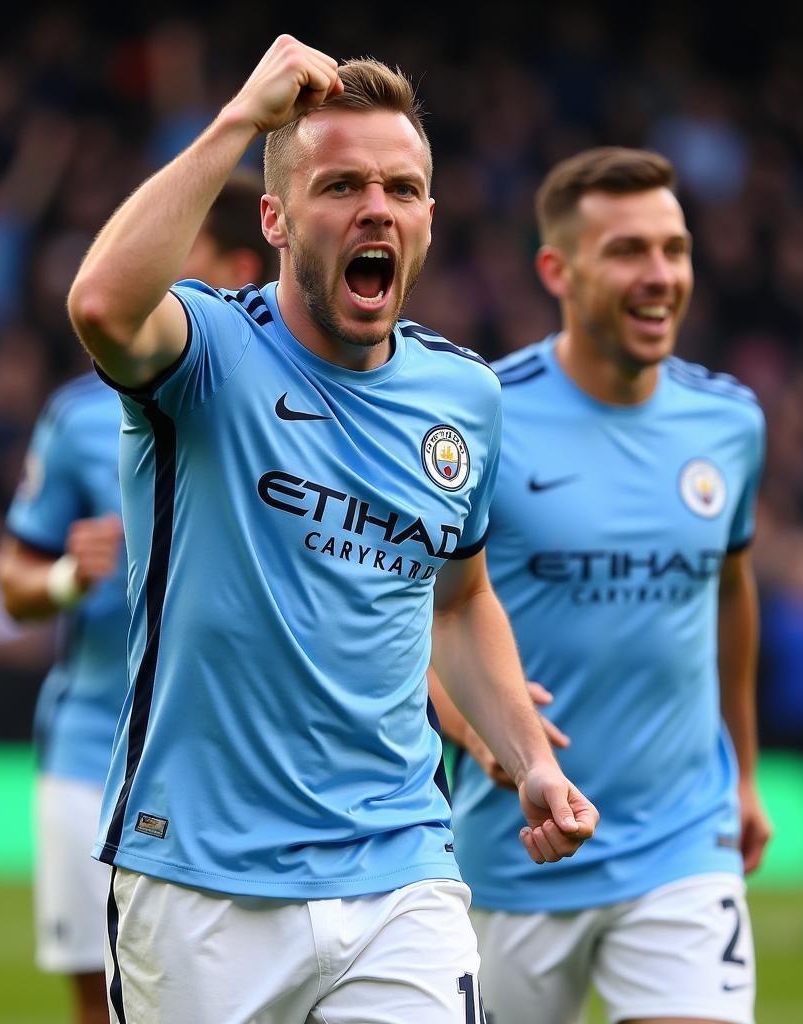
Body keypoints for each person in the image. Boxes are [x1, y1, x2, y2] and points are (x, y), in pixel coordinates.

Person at [66, 35, 598, 1024]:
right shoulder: (209, 351)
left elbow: (460, 597)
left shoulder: (463, 398)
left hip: (400, 868)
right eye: (341, 184)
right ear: (273, 216)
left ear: (428, 218)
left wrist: (532, 761)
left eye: (401, 187)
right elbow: (99, 304)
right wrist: (238, 121)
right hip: (199, 879)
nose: (375, 209)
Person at [445, 147, 772, 1024]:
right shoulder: (481, 415)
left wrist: (741, 774)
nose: (661, 275)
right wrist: (476, 728)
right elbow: (416, 613)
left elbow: (730, 596)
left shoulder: (731, 423)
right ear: (557, 268)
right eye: (629, 250)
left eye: (676, 248)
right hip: (515, 851)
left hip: (682, 842)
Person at [0, 174, 276, 1024]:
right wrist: (69, 579)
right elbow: (11, 585)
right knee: (102, 1006)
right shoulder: (80, 414)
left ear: (238, 266)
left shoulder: (308, 407)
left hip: (241, 761)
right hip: (93, 754)